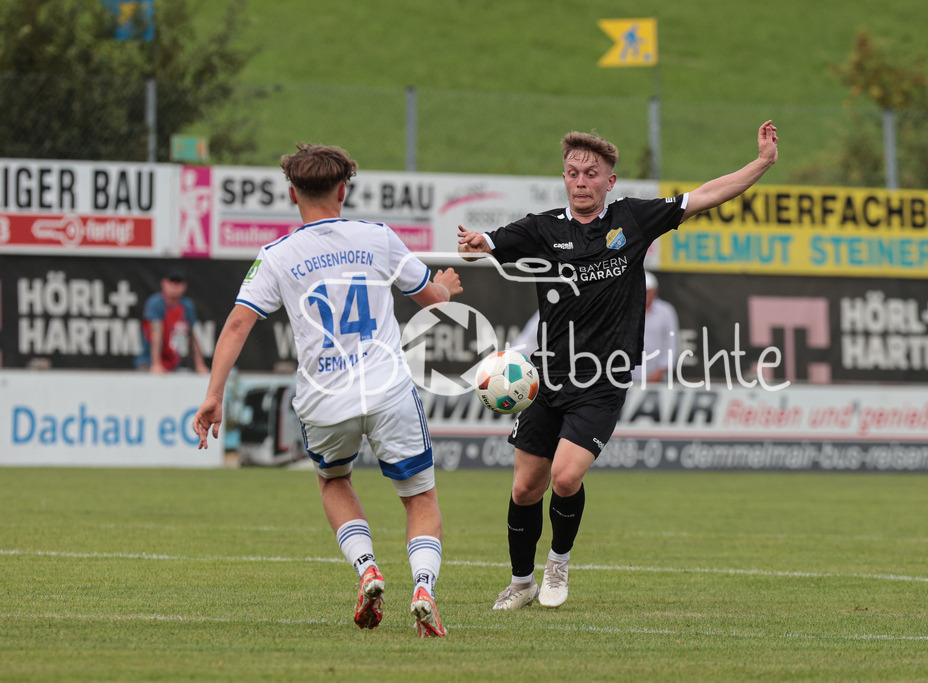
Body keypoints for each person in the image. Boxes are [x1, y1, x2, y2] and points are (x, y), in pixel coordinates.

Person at [458, 120, 778, 610]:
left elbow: (706, 195)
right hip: (545, 378)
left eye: (591, 173)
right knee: (525, 488)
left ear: (610, 181)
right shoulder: (543, 228)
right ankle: (521, 582)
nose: (581, 181)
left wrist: (760, 163)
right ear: (564, 178)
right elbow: (492, 243)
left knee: (565, 479)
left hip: (603, 380)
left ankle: (558, 564)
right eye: (572, 172)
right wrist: (480, 243)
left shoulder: (633, 220)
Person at [193, 144, 462, 638]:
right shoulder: (377, 237)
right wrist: (444, 284)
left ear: (292, 194)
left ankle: (368, 571)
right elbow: (432, 301)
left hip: (323, 397)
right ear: (343, 190)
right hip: (387, 391)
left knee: (334, 482)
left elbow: (236, 324)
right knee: (419, 497)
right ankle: (423, 588)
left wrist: (214, 394)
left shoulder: (277, 254)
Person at [136, 269, 209, 374]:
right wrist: (156, 364)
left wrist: (200, 365)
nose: (175, 286)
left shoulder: (187, 305)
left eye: (179, 283)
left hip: (172, 364)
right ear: (163, 283)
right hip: (148, 363)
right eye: (171, 282)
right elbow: (156, 335)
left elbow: (193, 338)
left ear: (185, 286)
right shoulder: (156, 303)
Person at [631, 271, 679, 384]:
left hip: (656, 378)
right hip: (628, 377)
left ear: (655, 291)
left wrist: (660, 370)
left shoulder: (665, 311)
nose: (645, 294)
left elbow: (671, 343)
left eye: (648, 291)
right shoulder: (626, 309)